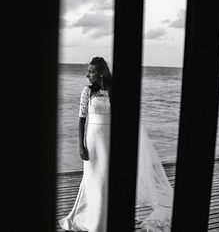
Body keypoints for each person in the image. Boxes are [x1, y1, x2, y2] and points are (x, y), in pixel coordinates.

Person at [59, 57, 173, 232]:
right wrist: (80, 145)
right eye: (88, 71)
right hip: (93, 142)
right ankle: (93, 221)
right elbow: (81, 120)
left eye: (91, 71)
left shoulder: (114, 91)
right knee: (94, 180)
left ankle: (107, 216)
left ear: (101, 73)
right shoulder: (87, 92)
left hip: (110, 141)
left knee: (107, 180)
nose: (87, 75)